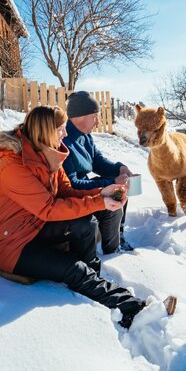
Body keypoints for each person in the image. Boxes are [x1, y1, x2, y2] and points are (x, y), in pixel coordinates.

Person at [0, 105, 148, 328]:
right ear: (46, 130)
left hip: (35, 225)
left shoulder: (48, 153)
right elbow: (48, 209)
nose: (66, 133)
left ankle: (92, 282)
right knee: (73, 268)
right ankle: (131, 307)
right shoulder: (13, 165)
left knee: (86, 224)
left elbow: (67, 192)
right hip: (10, 244)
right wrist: (98, 202)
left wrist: (102, 192)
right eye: (61, 129)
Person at [62, 91, 135, 253]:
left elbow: (97, 161)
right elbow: (71, 184)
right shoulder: (64, 141)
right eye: (95, 116)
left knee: (121, 189)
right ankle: (112, 250)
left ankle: (118, 235)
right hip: (72, 194)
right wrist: (111, 184)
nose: (98, 122)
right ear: (80, 117)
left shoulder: (85, 136)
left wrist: (119, 168)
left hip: (84, 185)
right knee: (114, 194)